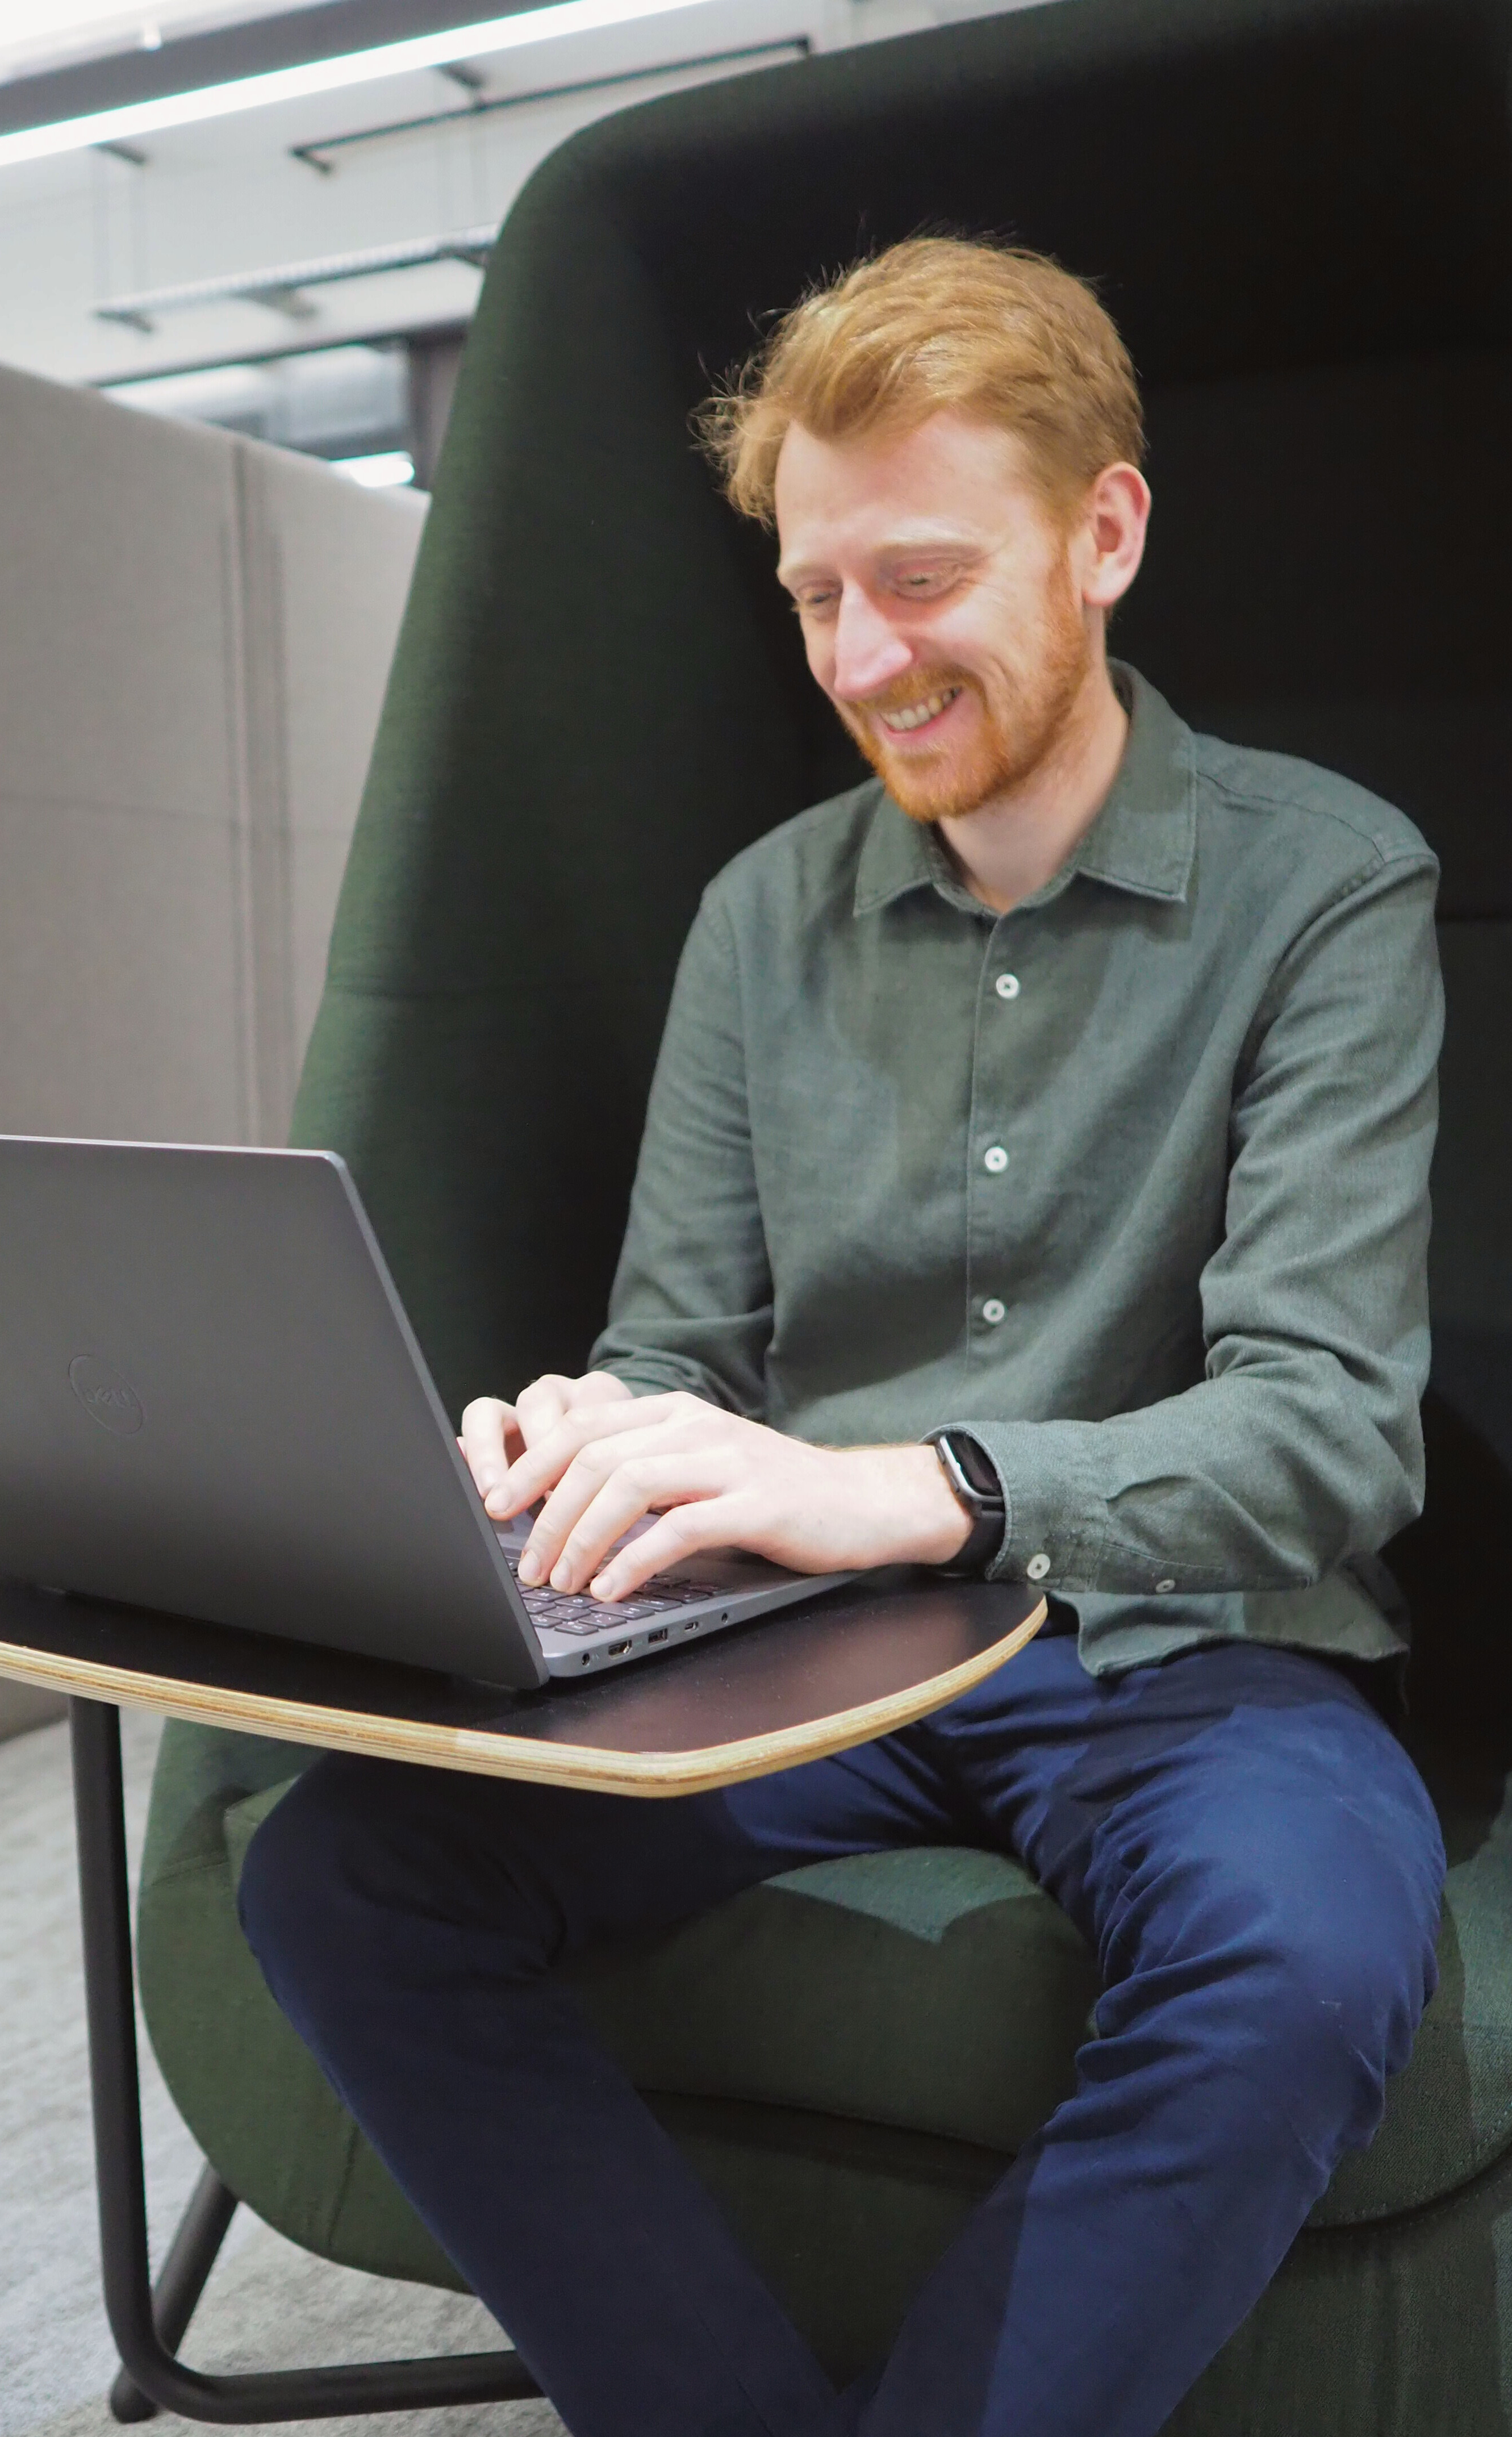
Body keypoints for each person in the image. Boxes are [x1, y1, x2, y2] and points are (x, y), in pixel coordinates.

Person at [239, 237, 1447, 2437]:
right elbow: (678, 1342)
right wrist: (594, 1441)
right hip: (806, 1644)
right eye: (813, 597)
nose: (864, 657)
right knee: (336, 1866)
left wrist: (912, 1487)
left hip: (1192, 1641)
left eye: (916, 578)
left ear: (1105, 532)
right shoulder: (754, 916)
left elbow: (1330, 1429)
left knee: (1305, 1956)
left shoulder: (1328, 885)